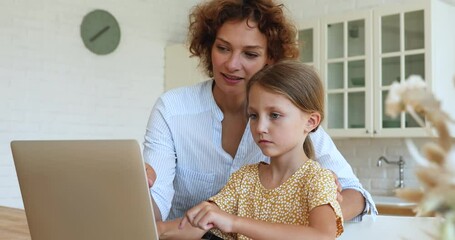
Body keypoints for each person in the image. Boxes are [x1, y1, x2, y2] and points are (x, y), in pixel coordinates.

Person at [144, 0, 376, 222]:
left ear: (270, 58)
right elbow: (154, 209)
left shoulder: (291, 116)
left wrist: (308, 215)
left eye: (250, 54)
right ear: (209, 47)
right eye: (223, 48)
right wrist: (138, 188)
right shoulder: (172, 110)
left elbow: (354, 194)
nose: (232, 64)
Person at [157, 60, 344, 240]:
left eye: (275, 115)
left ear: (311, 122)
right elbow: (199, 223)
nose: (260, 127)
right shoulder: (244, 178)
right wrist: (156, 230)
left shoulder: (318, 179)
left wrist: (235, 223)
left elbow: (322, 236)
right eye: (253, 115)